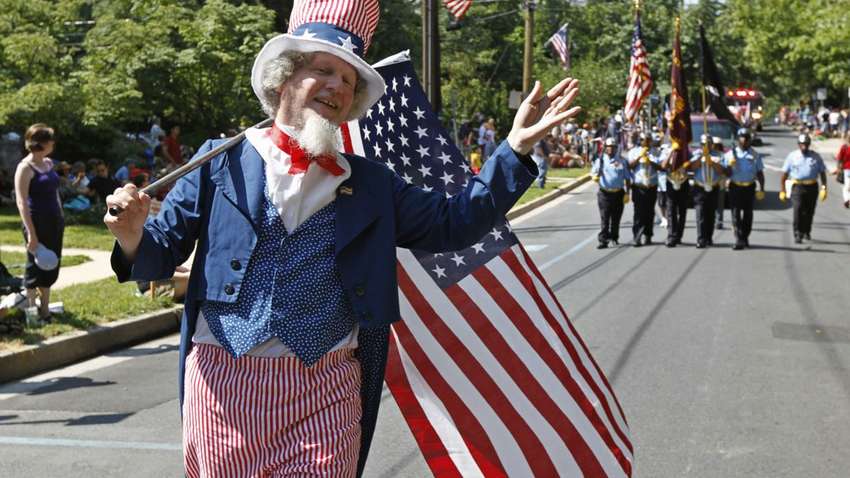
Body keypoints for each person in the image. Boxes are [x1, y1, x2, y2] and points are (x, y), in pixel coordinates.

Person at [103, 2, 581, 476]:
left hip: (327, 386)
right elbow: (156, 255)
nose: (337, 85)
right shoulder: (219, 161)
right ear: (284, 79)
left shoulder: (372, 182)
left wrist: (514, 149)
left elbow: (454, 222)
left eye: (349, 81)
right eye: (323, 69)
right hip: (224, 383)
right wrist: (130, 235)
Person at [13, 124, 63, 322]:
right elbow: (21, 202)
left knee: (51, 263)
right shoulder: (25, 168)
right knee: (35, 266)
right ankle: (33, 313)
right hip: (35, 222)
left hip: (54, 221)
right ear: (41, 143)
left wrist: (60, 215)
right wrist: (31, 234)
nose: (53, 143)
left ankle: (45, 309)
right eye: (50, 139)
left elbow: (55, 193)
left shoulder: (49, 163)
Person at [722, 128, 765, 250]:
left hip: (749, 187)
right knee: (735, 213)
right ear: (738, 139)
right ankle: (738, 238)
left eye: (747, 138)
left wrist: (762, 188)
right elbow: (725, 173)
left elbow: (760, 173)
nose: (745, 140)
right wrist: (729, 166)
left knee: (748, 214)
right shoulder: (730, 154)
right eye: (742, 137)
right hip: (735, 186)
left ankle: (745, 237)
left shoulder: (755, 155)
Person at [780, 133, 827, 243]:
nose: (804, 147)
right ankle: (797, 232)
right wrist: (783, 190)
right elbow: (784, 175)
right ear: (798, 145)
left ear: (809, 144)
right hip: (798, 186)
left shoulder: (816, 156)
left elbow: (822, 173)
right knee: (798, 209)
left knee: (810, 211)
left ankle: (806, 231)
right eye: (802, 144)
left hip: (812, 186)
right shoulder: (792, 156)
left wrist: (824, 188)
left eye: (806, 144)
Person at [592, 137, 631, 249]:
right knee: (605, 217)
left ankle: (614, 237)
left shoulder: (622, 161)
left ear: (616, 148)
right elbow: (594, 172)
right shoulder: (600, 160)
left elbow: (627, 178)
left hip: (618, 193)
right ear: (605, 148)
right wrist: (594, 176)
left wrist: (628, 193)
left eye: (613, 147)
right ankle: (603, 240)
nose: (611, 150)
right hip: (605, 193)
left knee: (616, 218)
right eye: (609, 147)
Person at [689, 135, 726, 248]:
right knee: (700, 213)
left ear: (712, 144)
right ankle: (701, 239)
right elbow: (692, 167)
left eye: (708, 144)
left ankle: (709, 237)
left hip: (713, 187)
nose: (706, 146)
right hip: (700, 187)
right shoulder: (696, 154)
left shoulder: (718, 155)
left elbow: (722, 170)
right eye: (704, 144)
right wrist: (702, 158)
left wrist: (712, 163)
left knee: (710, 214)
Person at [627, 132, 663, 246]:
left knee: (649, 212)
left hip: (651, 186)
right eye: (644, 140)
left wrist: (650, 161)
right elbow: (630, 166)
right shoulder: (633, 151)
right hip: (639, 187)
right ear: (640, 140)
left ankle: (648, 235)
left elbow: (661, 167)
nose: (646, 142)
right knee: (638, 212)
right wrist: (639, 157)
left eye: (648, 140)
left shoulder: (656, 152)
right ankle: (637, 237)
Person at [660, 139, 690, 247]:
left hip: (683, 182)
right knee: (671, 210)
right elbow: (663, 166)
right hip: (671, 182)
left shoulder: (686, 149)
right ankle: (671, 236)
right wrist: (672, 151)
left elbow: (689, 165)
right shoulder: (666, 149)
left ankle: (678, 236)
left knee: (682, 211)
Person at [712, 137, 728, 229]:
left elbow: (725, 168)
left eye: (717, 145)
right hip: (710, 182)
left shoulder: (723, 156)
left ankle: (719, 221)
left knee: (720, 204)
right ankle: (711, 220)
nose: (715, 146)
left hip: (720, 182)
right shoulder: (708, 154)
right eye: (714, 144)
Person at [832, 132, 850, 208]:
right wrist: (838, 168)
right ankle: (847, 200)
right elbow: (839, 159)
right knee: (847, 186)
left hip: (847, 170)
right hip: (847, 170)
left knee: (847, 186)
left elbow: (839, 159)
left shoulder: (844, 147)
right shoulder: (844, 147)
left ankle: (847, 199)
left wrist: (838, 168)